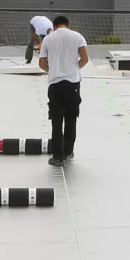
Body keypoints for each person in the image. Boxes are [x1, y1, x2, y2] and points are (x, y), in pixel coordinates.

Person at [37, 15, 88, 166]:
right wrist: (75, 68)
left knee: (56, 120)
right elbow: (84, 58)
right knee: (71, 118)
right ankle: (68, 152)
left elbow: (41, 63)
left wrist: (51, 70)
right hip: (72, 84)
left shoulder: (48, 39)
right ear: (68, 25)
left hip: (55, 84)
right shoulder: (77, 36)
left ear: (54, 26)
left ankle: (57, 156)